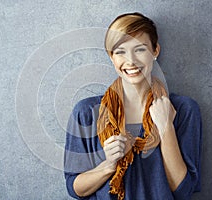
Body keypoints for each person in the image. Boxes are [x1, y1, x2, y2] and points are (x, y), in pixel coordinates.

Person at [64, 12, 202, 200]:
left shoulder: (183, 109)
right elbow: (75, 188)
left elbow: (183, 190)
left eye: (140, 49)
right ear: (111, 57)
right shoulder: (86, 112)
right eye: (120, 51)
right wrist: (108, 165)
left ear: (155, 51)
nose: (130, 60)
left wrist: (166, 127)